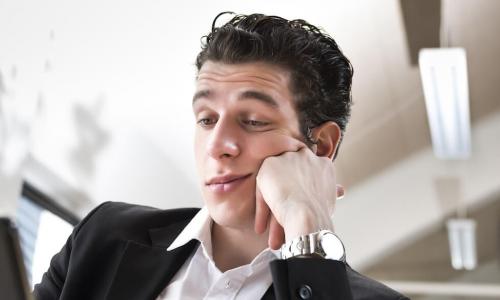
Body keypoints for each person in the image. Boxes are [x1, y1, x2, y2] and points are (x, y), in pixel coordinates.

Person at [33, 13, 409, 300]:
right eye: (206, 119)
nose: (218, 144)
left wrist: (308, 226)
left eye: (253, 121)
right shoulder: (103, 235)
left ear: (321, 146)